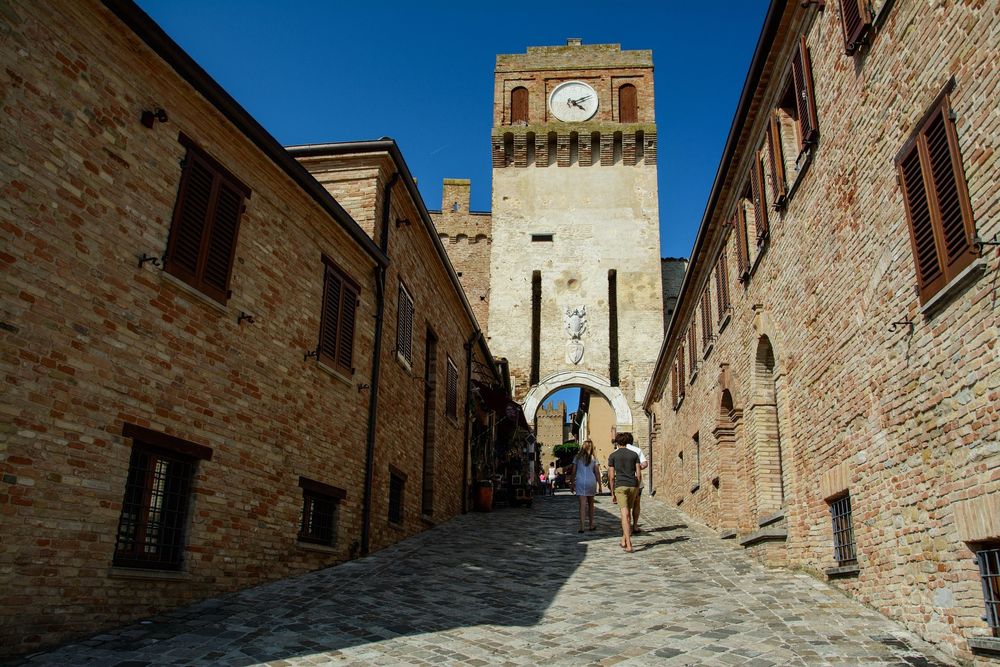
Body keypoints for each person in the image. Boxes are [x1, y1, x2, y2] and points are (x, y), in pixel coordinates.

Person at [608, 433, 641, 552]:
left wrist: (612, 493)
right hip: (632, 485)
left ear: (617, 442)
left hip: (620, 486)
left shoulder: (612, 456)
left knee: (624, 514)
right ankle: (624, 539)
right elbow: (639, 474)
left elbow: (611, 476)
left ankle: (629, 544)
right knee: (628, 514)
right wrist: (637, 489)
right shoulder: (634, 454)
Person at [571, 439, 602, 532]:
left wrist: (572, 483)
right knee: (591, 504)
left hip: (580, 481)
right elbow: (597, 472)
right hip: (591, 481)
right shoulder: (594, 458)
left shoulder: (577, 457)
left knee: (582, 505)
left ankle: (582, 526)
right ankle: (591, 524)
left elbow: (573, 472)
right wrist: (600, 485)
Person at [621, 432, 648, 533]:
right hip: (636, 479)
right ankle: (635, 525)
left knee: (625, 505)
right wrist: (637, 467)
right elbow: (645, 463)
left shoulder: (618, 451)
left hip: (622, 480)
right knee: (637, 503)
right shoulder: (637, 450)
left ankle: (626, 526)